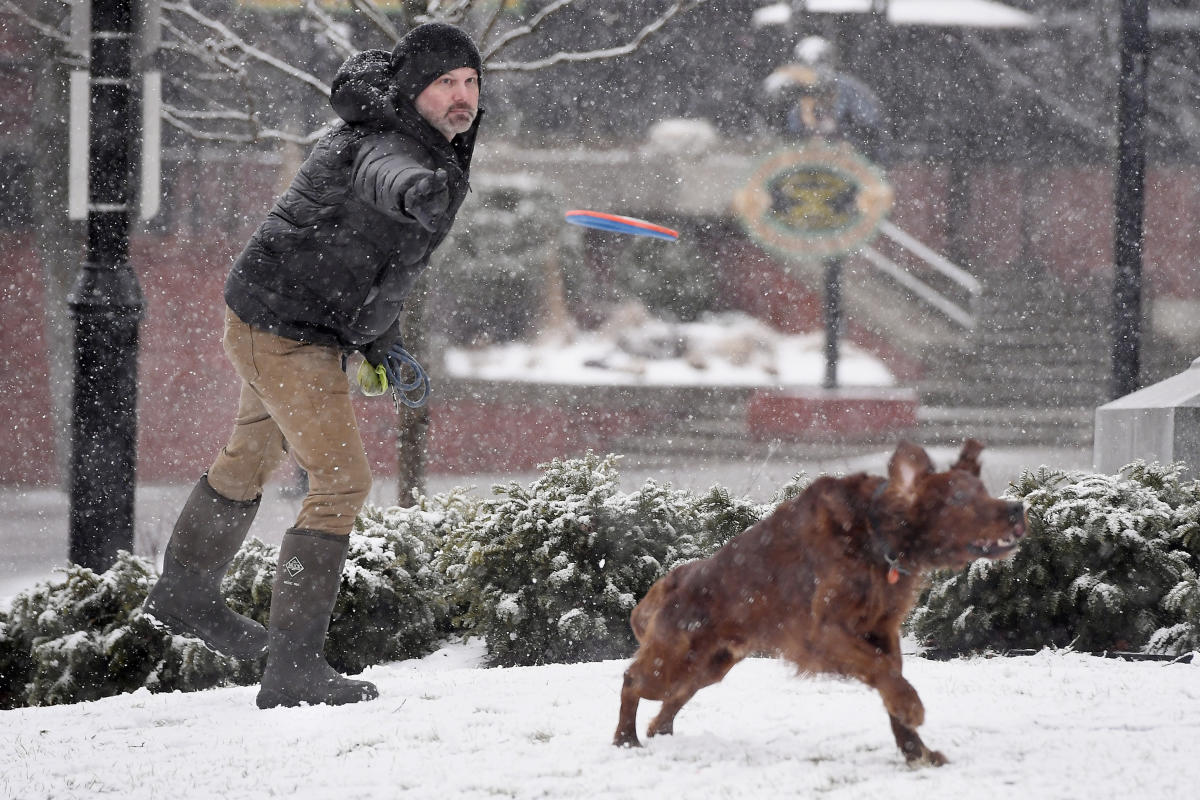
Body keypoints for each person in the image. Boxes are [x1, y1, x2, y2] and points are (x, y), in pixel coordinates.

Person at [142, 22, 484, 709]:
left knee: (250, 453)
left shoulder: (420, 138)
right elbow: (382, 176)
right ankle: (292, 668)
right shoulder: (387, 146)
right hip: (290, 333)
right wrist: (417, 189)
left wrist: (379, 338)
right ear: (414, 90)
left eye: (472, 83)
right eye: (446, 84)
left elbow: (385, 264)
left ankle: (182, 592)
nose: (462, 96)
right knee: (341, 479)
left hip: (270, 315)